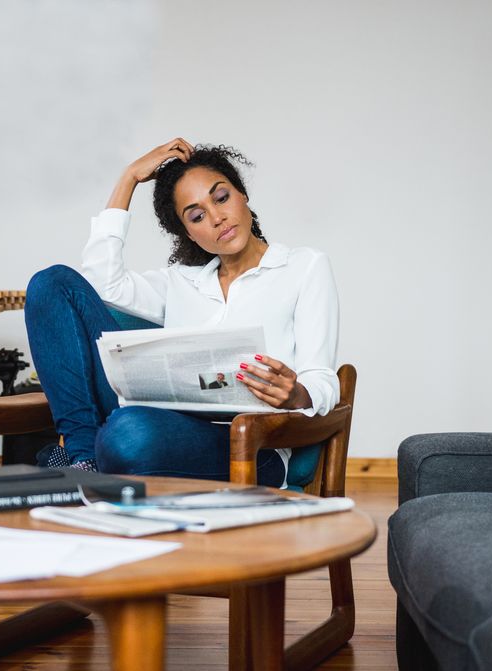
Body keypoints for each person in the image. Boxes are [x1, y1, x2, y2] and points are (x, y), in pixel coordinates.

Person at [24, 138, 339, 488]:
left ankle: (94, 458)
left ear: (242, 195)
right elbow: (102, 282)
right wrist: (128, 178)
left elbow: (322, 379)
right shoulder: (182, 282)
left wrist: (296, 393)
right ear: (188, 232)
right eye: (197, 215)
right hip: (162, 420)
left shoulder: (303, 267)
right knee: (52, 283)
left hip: (248, 445)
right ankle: (82, 460)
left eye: (221, 198)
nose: (217, 217)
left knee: (128, 435)